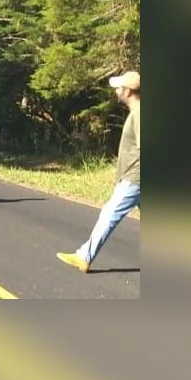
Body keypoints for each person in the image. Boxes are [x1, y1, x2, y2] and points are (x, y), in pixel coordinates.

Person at [58, 71, 140, 273]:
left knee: (109, 213)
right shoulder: (136, 112)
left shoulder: (139, 113)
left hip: (136, 178)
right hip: (132, 177)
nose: (116, 91)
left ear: (128, 91)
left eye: (119, 87)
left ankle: (84, 257)